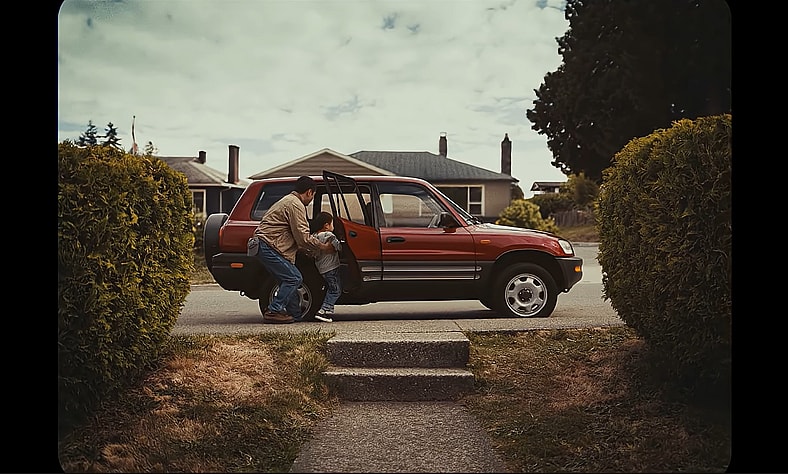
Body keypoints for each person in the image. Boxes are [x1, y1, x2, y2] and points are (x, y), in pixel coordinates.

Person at [252, 176, 335, 324]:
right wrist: (323, 247)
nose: (311, 200)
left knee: (287, 280)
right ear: (309, 192)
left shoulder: (288, 201)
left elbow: (294, 235)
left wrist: (306, 250)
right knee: (294, 278)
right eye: (313, 196)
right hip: (269, 246)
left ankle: (295, 315)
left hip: (266, 246)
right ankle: (273, 311)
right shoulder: (295, 204)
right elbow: (302, 236)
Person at [310, 211, 343, 323]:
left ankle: (324, 309)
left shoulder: (314, 236)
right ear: (326, 225)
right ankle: (323, 311)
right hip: (331, 268)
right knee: (335, 290)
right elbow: (339, 247)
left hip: (322, 269)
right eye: (332, 223)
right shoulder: (329, 235)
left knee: (331, 288)